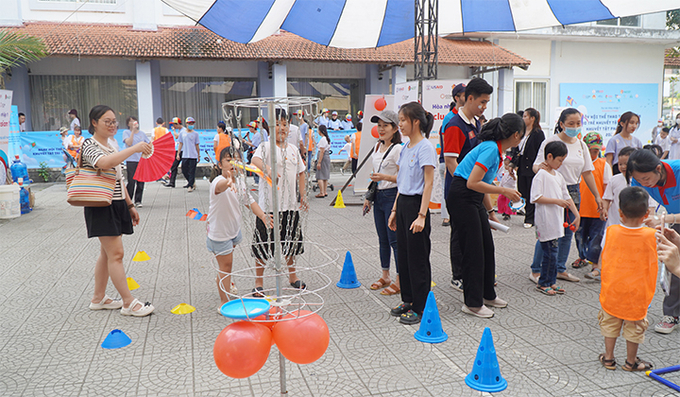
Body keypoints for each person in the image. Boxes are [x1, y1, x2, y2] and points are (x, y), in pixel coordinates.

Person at [448, 112, 524, 318]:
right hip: (462, 197)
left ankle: (488, 294)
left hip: (472, 198)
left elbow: (481, 185)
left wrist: (490, 213)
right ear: (516, 135)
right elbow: (472, 183)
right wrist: (504, 191)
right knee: (474, 251)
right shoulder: (491, 149)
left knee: (486, 247)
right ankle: (472, 303)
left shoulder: (496, 150)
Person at [82, 105, 154, 317]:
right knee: (116, 254)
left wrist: (130, 205)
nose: (112, 125)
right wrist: (134, 149)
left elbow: (119, 179)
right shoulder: (90, 144)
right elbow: (103, 164)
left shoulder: (111, 144)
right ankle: (128, 302)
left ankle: (98, 298)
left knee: (106, 253)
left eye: (114, 121)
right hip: (101, 205)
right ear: (94, 123)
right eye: (107, 121)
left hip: (116, 203)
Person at [530, 108, 603, 284]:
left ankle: (559, 268)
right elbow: (536, 165)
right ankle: (537, 270)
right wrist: (541, 169)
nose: (575, 127)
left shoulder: (581, 145)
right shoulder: (550, 142)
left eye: (578, 123)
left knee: (568, 230)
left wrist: (597, 196)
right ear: (561, 124)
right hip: (552, 189)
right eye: (571, 123)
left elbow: (587, 173)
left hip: (573, 190)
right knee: (548, 231)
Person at [387, 102, 436, 325]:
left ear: (416, 121)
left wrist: (422, 215)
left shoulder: (425, 147)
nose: (401, 124)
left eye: (404, 120)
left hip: (418, 205)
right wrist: (395, 209)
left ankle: (421, 306)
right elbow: (401, 182)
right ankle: (407, 299)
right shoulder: (406, 147)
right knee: (404, 256)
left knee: (418, 259)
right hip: (404, 203)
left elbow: (428, 183)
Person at [598, 186, 656, 372]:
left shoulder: (611, 231)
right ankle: (631, 362)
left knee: (610, 323)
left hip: (613, 289)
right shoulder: (652, 235)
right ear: (646, 213)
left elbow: (602, 257)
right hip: (638, 293)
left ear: (620, 212)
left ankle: (608, 358)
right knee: (635, 326)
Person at [251, 109, 308, 296]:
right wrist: (268, 169)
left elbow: (301, 173)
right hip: (268, 208)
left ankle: (293, 276)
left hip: (290, 206)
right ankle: (259, 282)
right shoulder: (265, 147)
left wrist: (303, 195)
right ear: (270, 127)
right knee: (262, 244)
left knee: (290, 243)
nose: (282, 128)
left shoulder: (293, 149)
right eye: (278, 124)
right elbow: (255, 159)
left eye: (285, 124)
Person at [443, 77, 492, 292]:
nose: (484, 107)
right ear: (468, 99)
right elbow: (451, 162)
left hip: (474, 189)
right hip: (461, 190)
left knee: (475, 236)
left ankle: (476, 275)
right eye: (481, 102)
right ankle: (459, 276)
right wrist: (465, 185)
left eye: (487, 103)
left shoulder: (477, 123)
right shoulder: (455, 125)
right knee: (460, 233)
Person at [207, 147, 271, 306]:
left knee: (226, 265)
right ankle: (224, 301)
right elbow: (220, 186)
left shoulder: (241, 182)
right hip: (220, 233)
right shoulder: (217, 182)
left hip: (233, 230)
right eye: (228, 160)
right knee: (225, 267)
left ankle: (227, 282)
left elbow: (249, 201)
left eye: (236, 160)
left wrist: (263, 216)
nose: (232, 163)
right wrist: (228, 182)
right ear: (220, 165)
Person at [627, 149, 680, 334]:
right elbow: (637, 204)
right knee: (672, 266)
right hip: (673, 223)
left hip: (673, 218)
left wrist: (666, 219)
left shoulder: (679, 171)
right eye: (639, 180)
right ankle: (671, 314)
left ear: (659, 168)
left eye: (646, 179)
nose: (644, 183)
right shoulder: (639, 179)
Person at [531, 140, 580, 296]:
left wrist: (577, 213)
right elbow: (536, 197)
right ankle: (544, 282)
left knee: (554, 252)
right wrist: (556, 201)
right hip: (546, 221)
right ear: (549, 157)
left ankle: (551, 281)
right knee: (550, 253)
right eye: (559, 160)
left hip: (556, 221)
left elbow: (567, 196)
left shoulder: (558, 176)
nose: (561, 164)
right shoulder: (541, 175)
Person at [364, 110, 403, 296]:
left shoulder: (398, 149)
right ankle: (385, 275)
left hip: (392, 196)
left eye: (385, 126)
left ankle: (399, 279)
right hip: (378, 196)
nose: (381, 129)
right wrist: (368, 197)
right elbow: (374, 173)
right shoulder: (377, 147)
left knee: (395, 240)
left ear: (395, 128)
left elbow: (404, 178)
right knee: (382, 239)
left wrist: (384, 177)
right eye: (379, 125)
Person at [572, 132, 611, 269]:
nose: (593, 154)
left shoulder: (603, 164)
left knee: (596, 237)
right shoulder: (578, 164)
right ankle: (582, 257)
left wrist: (606, 207)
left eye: (596, 151)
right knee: (579, 236)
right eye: (590, 151)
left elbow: (607, 187)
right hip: (580, 209)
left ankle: (595, 263)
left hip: (597, 210)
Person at [438, 83, 466, 227]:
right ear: (457, 97)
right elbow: (444, 140)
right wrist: (446, 161)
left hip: (462, 164)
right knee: (448, 190)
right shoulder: (450, 118)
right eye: (464, 94)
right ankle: (447, 217)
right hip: (450, 162)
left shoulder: (467, 117)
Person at [516, 108, 545, 228]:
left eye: (525, 116)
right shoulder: (522, 132)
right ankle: (529, 214)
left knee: (530, 192)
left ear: (532, 118)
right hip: (522, 165)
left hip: (532, 166)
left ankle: (530, 218)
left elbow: (541, 151)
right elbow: (516, 149)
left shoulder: (538, 133)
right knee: (522, 190)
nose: (523, 119)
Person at [123, 116, 150, 207]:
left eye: (135, 121)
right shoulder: (126, 132)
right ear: (128, 124)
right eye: (131, 121)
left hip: (141, 160)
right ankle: (128, 200)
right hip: (131, 160)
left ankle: (138, 200)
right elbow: (129, 143)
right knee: (131, 181)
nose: (134, 122)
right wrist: (133, 132)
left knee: (141, 180)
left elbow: (148, 144)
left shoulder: (142, 133)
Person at [177, 117, 200, 192]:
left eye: (192, 124)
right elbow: (180, 143)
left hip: (193, 155)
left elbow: (197, 145)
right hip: (185, 154)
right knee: (184, 169)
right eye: (189, 123)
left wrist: (198, 155)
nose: (191, 125)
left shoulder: (195, 134)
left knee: (192, 171)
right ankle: (191, 182)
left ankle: (190, 186)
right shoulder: (182, 133)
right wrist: (178, 154)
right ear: (186, 124)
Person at [164, 117, 185, 188]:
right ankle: (172, 182)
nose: (173, 126)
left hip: (182, 150)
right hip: (179, 150)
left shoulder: (183, 130)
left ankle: (191, 183)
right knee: (174, 166)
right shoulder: (180, 130)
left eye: (174, 125)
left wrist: (173, 131)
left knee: (184, 168)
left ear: (178, 124)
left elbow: (176, 137)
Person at [497, 155, 517, 221]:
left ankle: (508, 214)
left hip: (510, 189)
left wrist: (513, 176)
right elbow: (502, 180)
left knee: (508, 202)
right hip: (504, 188)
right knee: (501, 200)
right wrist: (500, 187)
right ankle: (503, 211)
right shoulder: (505, 173)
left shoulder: (514, 173)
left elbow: (515, 179)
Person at [315, 125, 331, 198]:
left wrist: (319, 162)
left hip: (323, 157)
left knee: (320, 175)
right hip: (327, 156)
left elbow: (321, 151)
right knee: (325, 175)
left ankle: (321, 192)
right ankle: (325, 191)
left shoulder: (322, 139)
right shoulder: (327, 139)